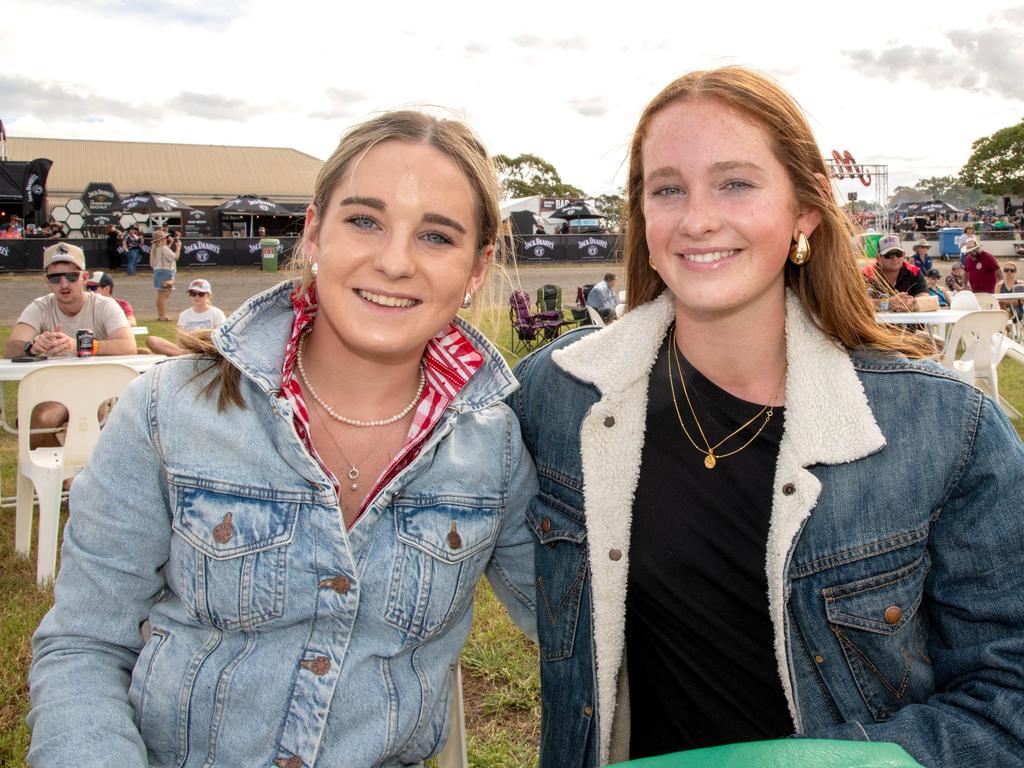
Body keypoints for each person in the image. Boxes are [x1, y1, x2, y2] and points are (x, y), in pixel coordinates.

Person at [510, 66, 1024, 767]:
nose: (697, 219)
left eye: (736, 183)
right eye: (667, 189)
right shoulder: (561, 392)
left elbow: (1007, 700)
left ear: (805, 212)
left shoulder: (949, 432)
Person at [28, 110, 537, 768]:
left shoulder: (494, 449)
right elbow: (83, 649)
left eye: (437, 236)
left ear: (477, 268)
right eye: (364, 220)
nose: (394, 260)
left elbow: (585, 625)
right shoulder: (166, 411)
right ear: (315, 233)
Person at [5, 244, 135, 446]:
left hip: (98, 389)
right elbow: (11, 347)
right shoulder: (40, 306)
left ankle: (80, 473)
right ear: (47, 281)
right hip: (54, 390)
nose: (64, 284)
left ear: (84, 277)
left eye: (72, 276)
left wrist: (79, 346)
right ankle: (64, 475)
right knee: (39, 421)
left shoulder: (104, 305)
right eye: (55, 278)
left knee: (96, 418)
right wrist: (32, 346)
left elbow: (128, 345)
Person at [145, 278, 226, 356]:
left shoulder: (217, 313)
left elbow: (219, 339)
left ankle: (184, 354)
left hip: (209, 348)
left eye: (201, 294)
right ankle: (185, 354)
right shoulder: (184, 315)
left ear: (208, 295)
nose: (196, 297)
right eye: (193, 294)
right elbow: (180, 340)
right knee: (152, 340)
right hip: (188, 348)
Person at [862, 234, 927, 311]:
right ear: (878, 258)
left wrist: (911, 304)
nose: (895, 258)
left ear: (903, 255)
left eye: (898, 254)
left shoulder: (914, 272)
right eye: (889, 255)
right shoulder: (865, 274)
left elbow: (925, 297)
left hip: (908, 321)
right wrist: (889, 303)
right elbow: (856, 303)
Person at [149, 227, 180, 320]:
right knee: (164, 296)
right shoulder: (163, 248)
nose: (167, 239)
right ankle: (163, 316)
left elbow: (159, 259)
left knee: (161, 295)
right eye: (165, 238)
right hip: (165, 272)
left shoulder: (156, 248)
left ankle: (161, 315)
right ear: (161, 239)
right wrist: (178, 247)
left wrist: (170, 243)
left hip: (158, 271)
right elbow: (175, 257)